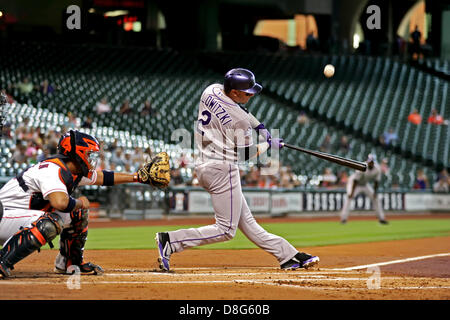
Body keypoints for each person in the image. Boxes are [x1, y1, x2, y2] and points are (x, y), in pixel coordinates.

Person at [155, 68, 319, 272]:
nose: (251, 95)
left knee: (248, 224)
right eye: (247, 92)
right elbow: (246, 153)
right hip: (222, 169)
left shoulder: (212, 90)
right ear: (234, 92)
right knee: (225, 230)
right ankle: (171, 240)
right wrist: (269, 145)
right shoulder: (239, 121)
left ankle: (288, 256)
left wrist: (261, 128)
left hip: (204, 164)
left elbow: (240, 111)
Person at [0, 129, 170, 278]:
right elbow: (60, 202)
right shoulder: (52, 170)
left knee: (76, 214)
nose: (92, 158)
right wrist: (80, 202)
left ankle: (70, 263)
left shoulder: (72, 171)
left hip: (18, 219)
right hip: (4, 216)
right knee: (51, 222)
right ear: (77, 153)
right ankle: (2, 261)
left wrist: (138, 177)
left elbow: (104, 177)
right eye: (89, 153)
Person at [340, 154, 388, 224]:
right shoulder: (361, 166)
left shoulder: (377, 169)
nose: (370, 163)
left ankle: (381, 218)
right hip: (354, 183)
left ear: (374, 162)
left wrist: (375, 192)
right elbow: (355, 181)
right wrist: (352, 193)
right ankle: (343, 218)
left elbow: (376, 182)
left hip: (365, 184)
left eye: (372, 162)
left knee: (376, 198)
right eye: (369, 161)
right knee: (349, 197)